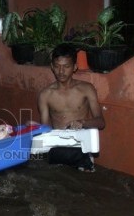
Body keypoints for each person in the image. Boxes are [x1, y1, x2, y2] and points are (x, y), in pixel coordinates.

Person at [38, 43, 105, 172]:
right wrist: (36, 128)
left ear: (74, 67)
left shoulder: (86, 89)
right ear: (52, 67)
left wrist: (83, 123)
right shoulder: (45, 95)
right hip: (57, 147)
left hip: (81, 146)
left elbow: (101, 122)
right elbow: (45, 131)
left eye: (66, 66)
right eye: (57, 66)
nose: (61, 71)